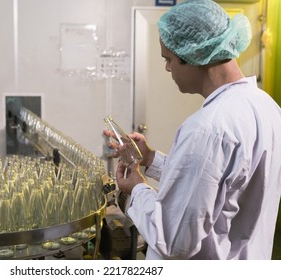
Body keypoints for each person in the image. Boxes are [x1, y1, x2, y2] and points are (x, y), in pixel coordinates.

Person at [104, 0, 281, 259]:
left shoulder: (207, 128)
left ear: (195, 54)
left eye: (169, 59)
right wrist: (150, 159)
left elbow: (174, 241)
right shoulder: (266, 106)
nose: (167, 68)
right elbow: (216, 185)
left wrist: (138, 188)